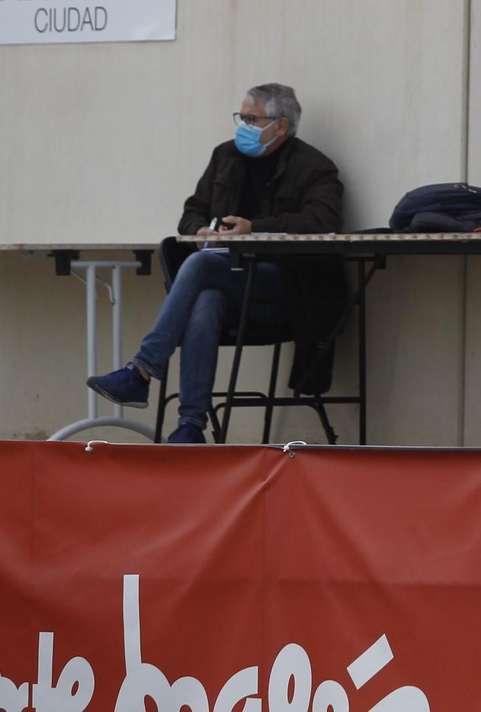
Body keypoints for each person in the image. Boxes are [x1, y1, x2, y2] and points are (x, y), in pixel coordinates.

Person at [86, 83, 344, 443]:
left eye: (252, 119)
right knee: (205, 298)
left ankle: (142, 371)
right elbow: (190, 213)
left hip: (284, 289)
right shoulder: (225, 157)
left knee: (200, 266)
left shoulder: (314, 167)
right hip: (230, 281)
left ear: (281, 126)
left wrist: (254, 229)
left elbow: (324, 221)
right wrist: (204, 229)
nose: (242, 126)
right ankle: (191, 426)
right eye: (241, 117)